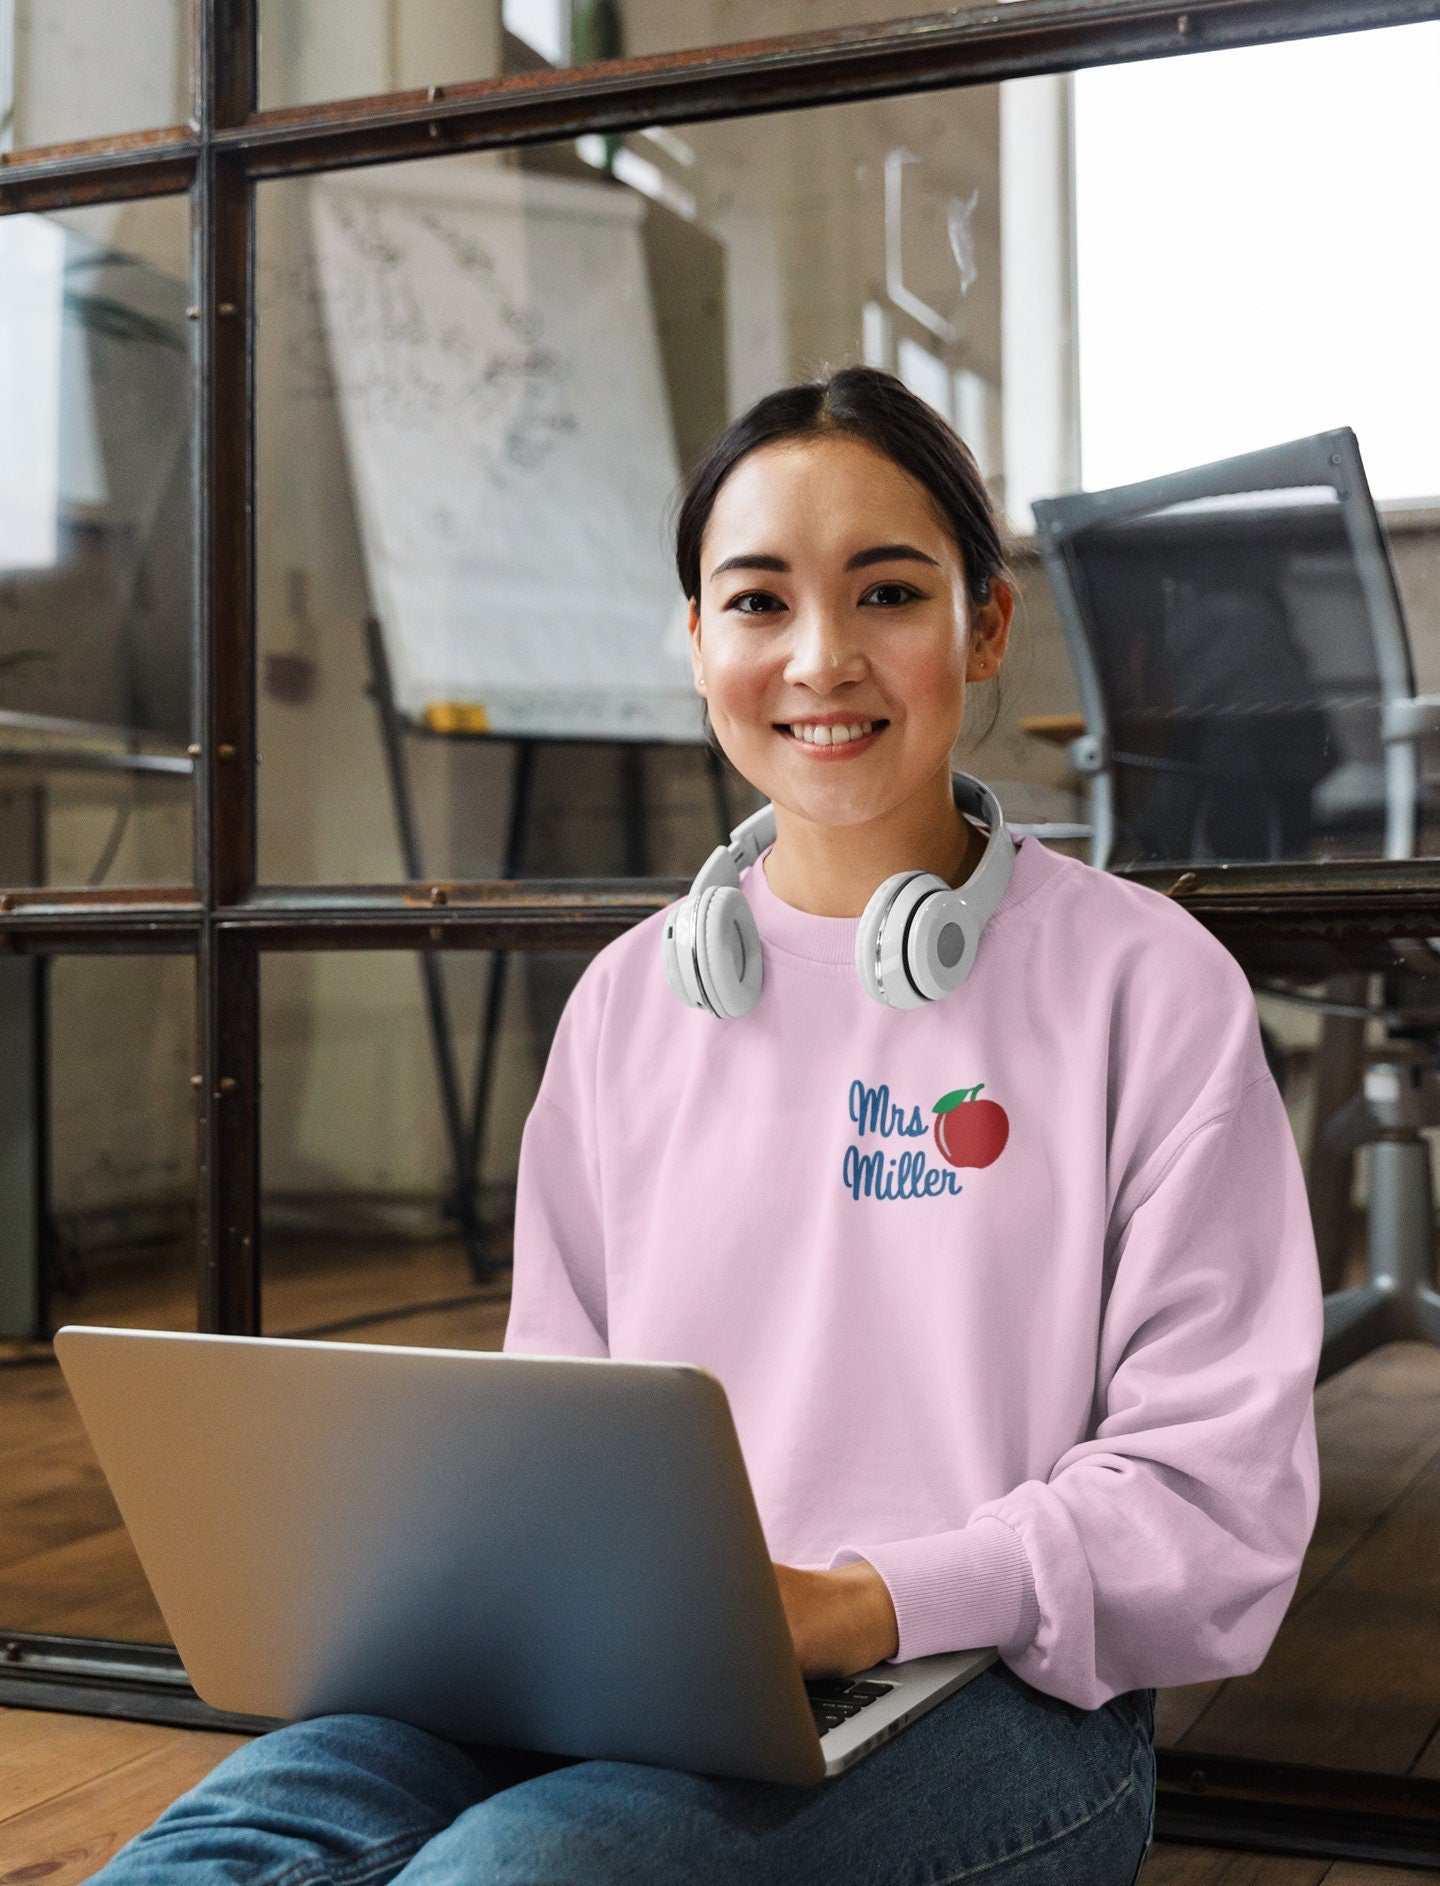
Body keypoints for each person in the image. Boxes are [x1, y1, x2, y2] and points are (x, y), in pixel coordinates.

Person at [90, 366, 1323, 1883]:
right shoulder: (627, 1004)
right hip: (612, 1667)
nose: (820, 658)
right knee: (207, 1856)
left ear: (983, 626)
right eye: (756, 602)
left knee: (510, 1875)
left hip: (1001, 1694)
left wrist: (860, 1599)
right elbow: (551, 1425)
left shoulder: (1147, 985)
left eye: (886, 591)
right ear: (694, 643)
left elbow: (1214, 1507)